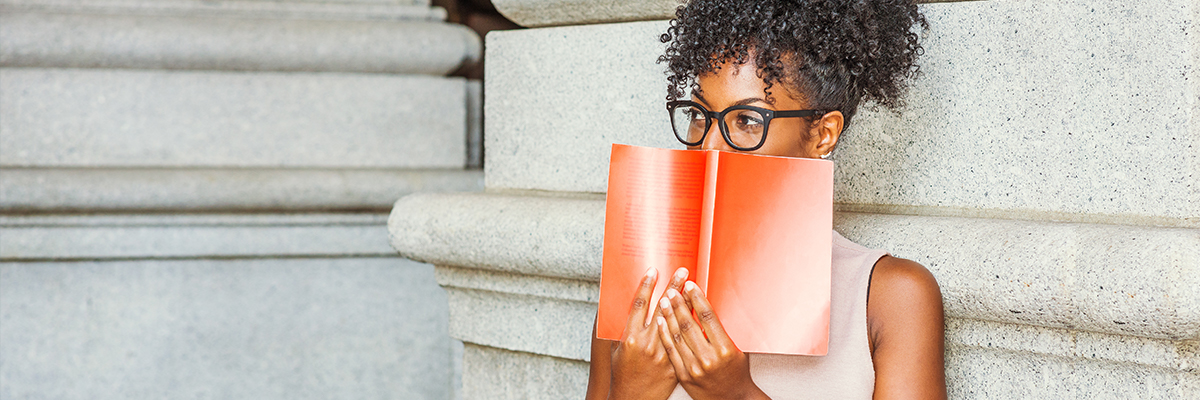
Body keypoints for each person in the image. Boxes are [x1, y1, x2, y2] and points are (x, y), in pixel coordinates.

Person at [585, 1, 945, 399]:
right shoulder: (640, 292)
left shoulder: (889, 296)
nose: (710, 146)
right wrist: (631, 392)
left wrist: (736, 394)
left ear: (822, 134)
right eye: (699, 115)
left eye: (747, 121)